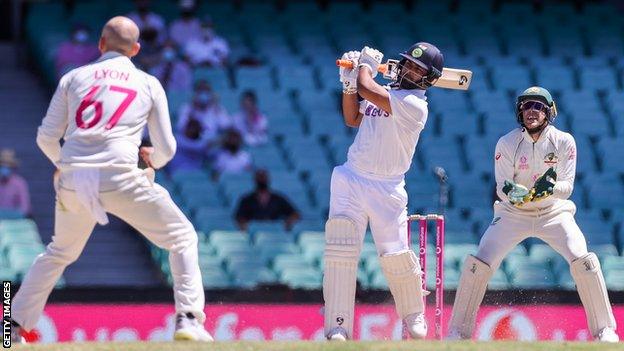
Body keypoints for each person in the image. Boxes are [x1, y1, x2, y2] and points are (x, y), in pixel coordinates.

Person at [9, 16, 213, 343]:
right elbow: (167, 147)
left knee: (59, 252)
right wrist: (152, 162)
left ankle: (12, 327)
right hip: (121, 173)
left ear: (100, 45)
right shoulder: (148, 83)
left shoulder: (73, 78)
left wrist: (69, 164)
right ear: (135, 49)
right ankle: (188, 319)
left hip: (74, 178)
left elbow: (46, 138)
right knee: (183, 238)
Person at [447, 87, 619, 343]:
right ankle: (458, 333)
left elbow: (567, 187)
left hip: (553, 212)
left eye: (539, 106)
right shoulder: (507, 142)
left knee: (584, 261)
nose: (532, 111)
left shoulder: (564, 141)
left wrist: (546, 190)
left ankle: (605, 331)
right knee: (478, 263)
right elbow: (502, 186)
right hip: (513, 213)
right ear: (520, 112)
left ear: (549, 112)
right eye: (527, 106)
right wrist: (513, 193)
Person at [323, 43, 444, 341]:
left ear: (428, 79)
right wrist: (348, 85)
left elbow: (368, 87)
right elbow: (352, 118)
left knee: (395, 255)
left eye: (419, 69)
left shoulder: (416, 105)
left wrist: (363, 68)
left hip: (387, 187)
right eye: (408, 64)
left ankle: (414, 314)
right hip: (350, 177)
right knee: (341, 249)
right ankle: (338, 325)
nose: (410, 70)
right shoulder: (386, 92)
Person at [234, 169, 300, 231]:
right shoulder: (246, 200)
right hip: (253, 233)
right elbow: (239, 217)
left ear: (268, 179)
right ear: (254, 180)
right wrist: (243, 225)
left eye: (264, 177)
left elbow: (295, 214)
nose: (262, 180)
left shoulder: (278, 199)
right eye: (259, 177)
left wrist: (289, 221)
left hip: (275, 233)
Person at [0, 149, 31, 217]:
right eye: (2, 165)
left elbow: (25, 209)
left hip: (14, 223)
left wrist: (11, 215)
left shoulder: (20, 183)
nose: (5, 168)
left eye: (8, 166)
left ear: (12, 167)